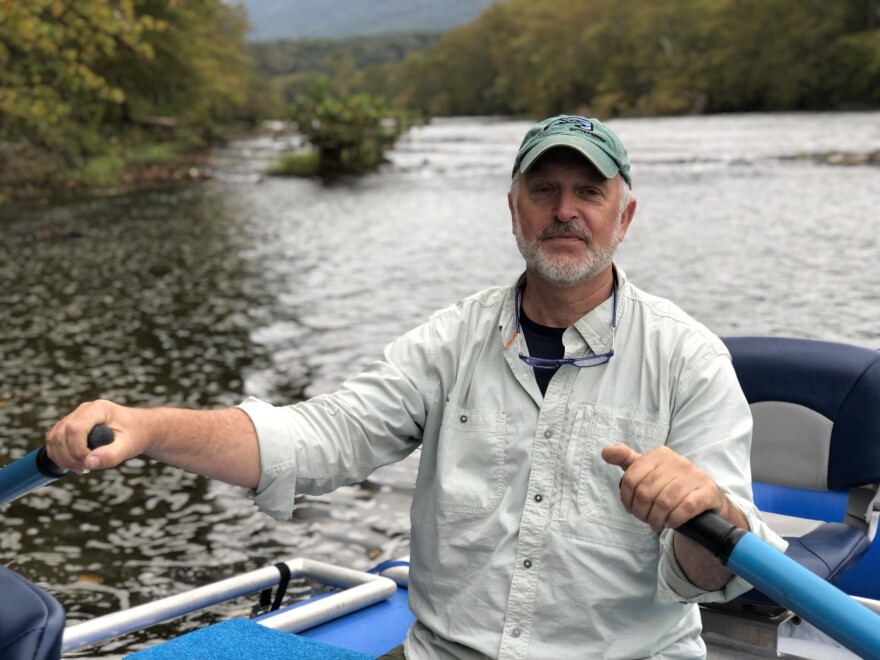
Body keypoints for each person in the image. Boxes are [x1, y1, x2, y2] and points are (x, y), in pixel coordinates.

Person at [47, 115, 785, 659]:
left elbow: (718, 575)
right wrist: (147, 427)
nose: (565, 209)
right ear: (515, 209)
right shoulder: (450, 341)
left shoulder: (688, 359)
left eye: (589, 191)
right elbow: (316, 440)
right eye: (544, 189)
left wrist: (704, 515)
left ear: (623, 217)